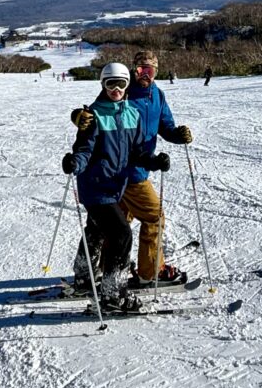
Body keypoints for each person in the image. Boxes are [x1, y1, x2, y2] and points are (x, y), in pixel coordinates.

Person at [71, 49, 192, 289]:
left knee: (111, 226)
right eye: (140, 70)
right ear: (133, 71)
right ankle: (150, 271)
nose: (144, 75)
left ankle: (106, 271)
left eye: (150, 70)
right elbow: (100, 107)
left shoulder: (157, 95)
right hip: (126, 173)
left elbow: (165, 126)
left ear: (156, 71)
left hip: (138, 164)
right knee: (153, 217)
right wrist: (78, 115)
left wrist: (177, 135)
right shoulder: (125, 92)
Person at [63, 62, 170, 312]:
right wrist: (74, 163)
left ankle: (83, 276)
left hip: (116, 186)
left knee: (97, 230)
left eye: (121, 83)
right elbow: (84, 150)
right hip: (95, 186)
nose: (116, 89)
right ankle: (113, 294)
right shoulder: (94, 115)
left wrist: (154, 161)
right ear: (103, 84)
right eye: (110, 84)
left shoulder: (132, 113)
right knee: (121, 234)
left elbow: (137, 152)